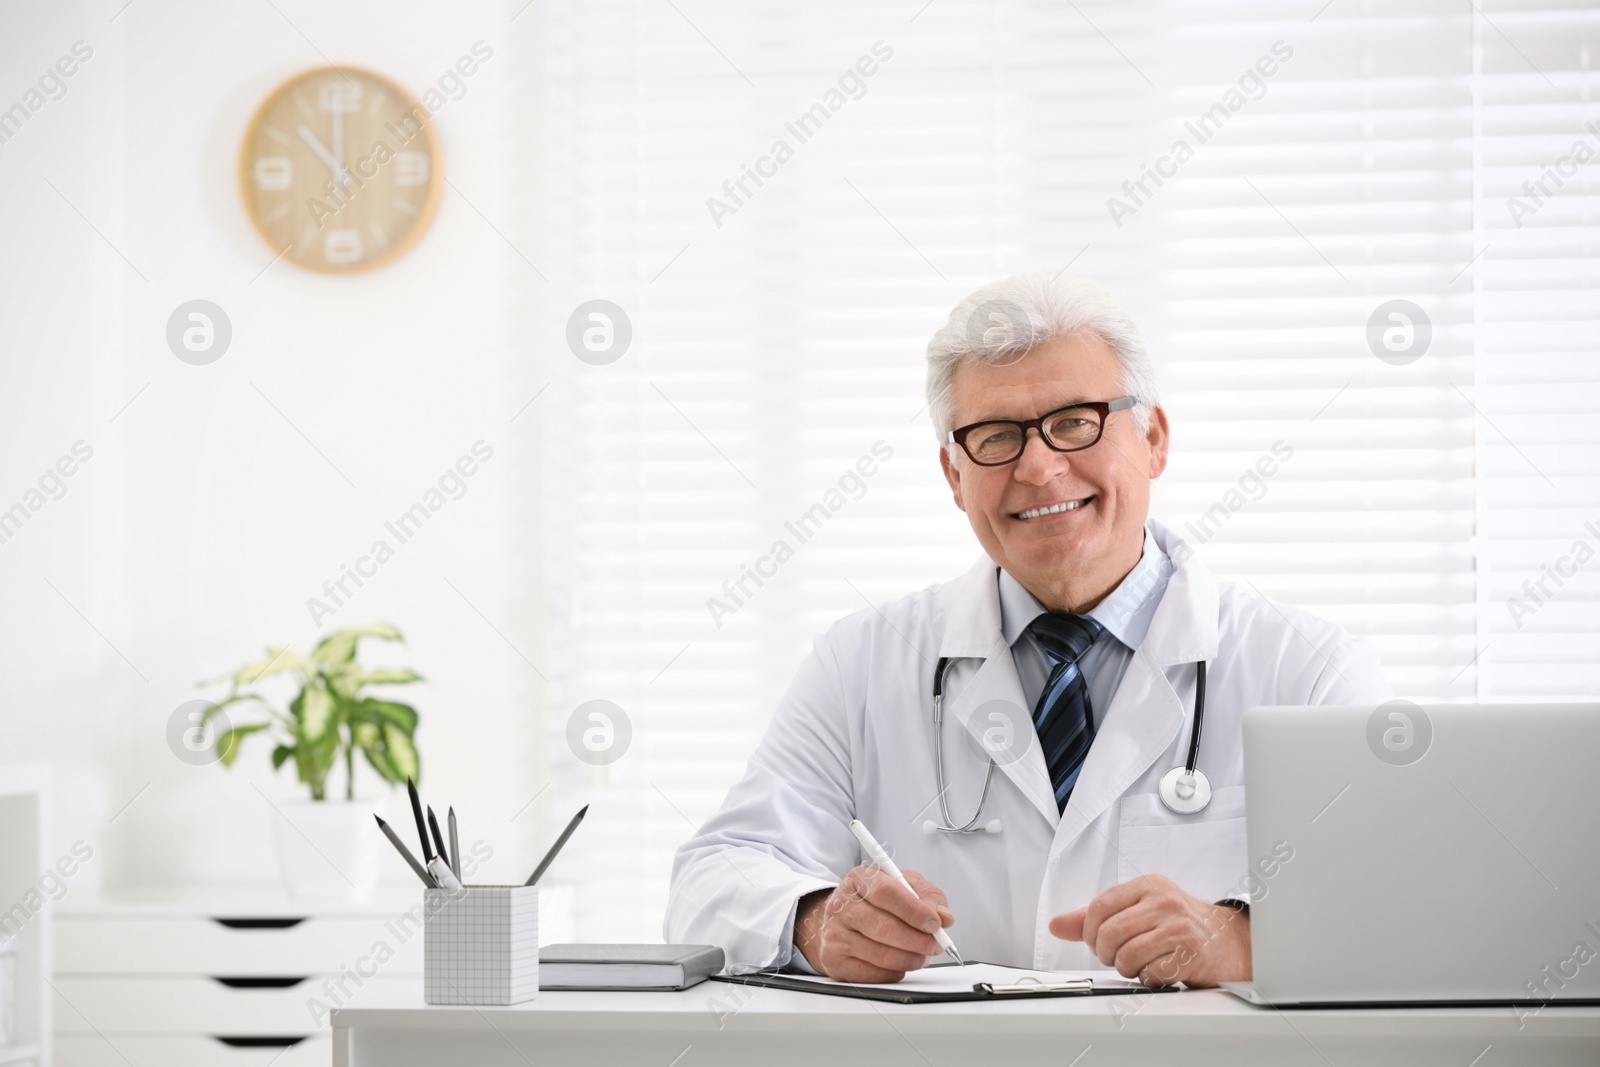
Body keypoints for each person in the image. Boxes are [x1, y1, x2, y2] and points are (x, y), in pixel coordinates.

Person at [664, 273, 1390, 986]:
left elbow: (1398, 910)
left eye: (1075, 421)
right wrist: (813, 920)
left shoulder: (1310, 671)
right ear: (953, 476)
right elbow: (712, 879)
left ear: (1154, 439)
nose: (1039, 468)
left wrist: (1244, 937)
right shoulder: (860, 663)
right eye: (996, 436)